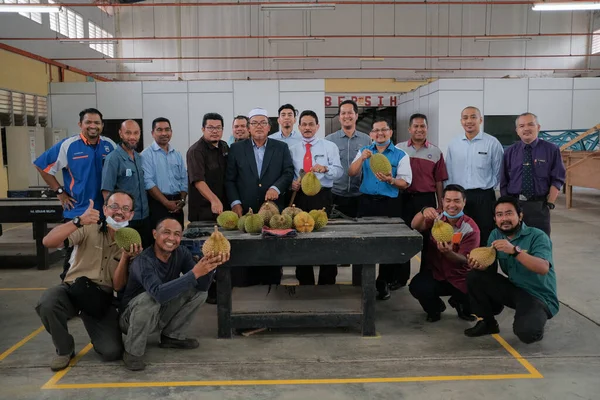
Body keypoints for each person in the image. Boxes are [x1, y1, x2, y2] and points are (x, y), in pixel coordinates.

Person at [35, 191, 140, 371]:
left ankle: (92, 323)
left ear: (131, 214)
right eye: (114, 206)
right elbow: (47, 241)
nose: (119, 212)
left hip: (100, 299)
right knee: (48, 302)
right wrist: (78, 221)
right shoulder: (87, 228)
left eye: (125, 208)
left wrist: (125, 257)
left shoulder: (131, 241)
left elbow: (117, 286)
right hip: (73, 289)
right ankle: (64, 349)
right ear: (105, 209)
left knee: (111, 352)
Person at [119, 217, 228, 371]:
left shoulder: (181, 252)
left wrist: (211, 265)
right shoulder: (143, 261)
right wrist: (194, 273)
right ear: (155, 234)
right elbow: (158, 294)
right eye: (166, 232)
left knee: (199, 293)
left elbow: (202, 286)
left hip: (159, 310)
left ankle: (172, 337)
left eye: (177, 234)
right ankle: (132, 352)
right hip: (131, 319)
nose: (172, 238)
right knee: (149, 298)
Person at [33, 108, 117, 280]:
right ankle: (69, 292)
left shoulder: (110, 145)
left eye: (97, 122)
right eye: (88, 122)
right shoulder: (68, 145)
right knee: (74, 262)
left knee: (104, 261)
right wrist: (59, 192)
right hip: (79, 213)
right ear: (80, 124)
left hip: (107, 214)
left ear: (102, 125)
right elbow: (42, 165)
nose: (93, 126)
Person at [465, 196, 558, 344]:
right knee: (475, 276)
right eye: (499, 215)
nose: (504, 219)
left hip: (538, 296)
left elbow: (543, 268)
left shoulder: (537, 236)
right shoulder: (495, 235)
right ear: (495, 219)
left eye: (509, 213)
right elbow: (490, 268)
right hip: (515, 289)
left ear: (520, 216)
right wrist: (479, 265)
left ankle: (534, 320)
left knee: (527, 333)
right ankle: (488, 323)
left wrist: (515, 251)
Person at [225, 108, 294, 286]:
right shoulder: (236, 149)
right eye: (254, 123)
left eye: (263, 122)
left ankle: (271, 285)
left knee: (271, 249)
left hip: (272, 210)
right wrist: (235, 203)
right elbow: (230, 179)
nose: (259, 126)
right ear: (248, 128)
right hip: (245, 209)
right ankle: (245, 287)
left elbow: (288, 172)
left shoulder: (281, 147)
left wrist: (275, 188)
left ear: (269, 127)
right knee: (245, 250)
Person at [348, 117, 412, 300]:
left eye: (384, 130)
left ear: (390, 132)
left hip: (389, 204)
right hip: (366, 202)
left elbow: (405, 183)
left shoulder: (400, 155)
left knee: (388, 245)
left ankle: (383, 281)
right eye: (376, 130)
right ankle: (362, 281)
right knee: (363, 242)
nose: (380, 133)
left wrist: (391, 180)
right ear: (371, 135)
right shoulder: (364, 151)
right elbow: (351, 172)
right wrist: (362, 158)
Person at [409, 184, 479, 322]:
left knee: (477, 299)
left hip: (460, 277)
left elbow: (465, 259)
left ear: (464, 202)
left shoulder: (471, 228)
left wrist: (448, 253)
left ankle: (460, 303)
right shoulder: (436, 217)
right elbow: (415, 225)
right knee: (417, 287)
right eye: (448, 200)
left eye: (457, 201)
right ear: (442, 201)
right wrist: (423, 211)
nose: (452, 205)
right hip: (437, 273)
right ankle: (435, 308)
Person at [289, 110, 343, 285]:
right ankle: (304, 280)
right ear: (299, 127)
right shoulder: (292, 149)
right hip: (300, 198)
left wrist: (326, 169)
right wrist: (292, 183)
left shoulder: (329, 147)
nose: (307, 128)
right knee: (300, 238)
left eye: (311, 124)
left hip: (323, 197)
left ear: (317, 126)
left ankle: (327, 281)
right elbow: (288, 173)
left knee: (326, 239)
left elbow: (339, 172)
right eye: (304, 124)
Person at [396, 113, 448, 286]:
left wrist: (441, 205)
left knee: (428, 241)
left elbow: (439, 181)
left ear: (427, 128)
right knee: (402, 239)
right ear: (409, 129)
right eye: (416, 126)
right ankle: (400, 278)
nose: (419, 129)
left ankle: (425, 277)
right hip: (403, 199)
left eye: (422, 126)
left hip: (426, 200)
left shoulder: (435, 151)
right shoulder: (399, 149)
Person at [445, 106, 504, 247]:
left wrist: (486, 188)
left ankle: (486, 268)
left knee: (485, 235)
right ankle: (462, 268)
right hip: (459, 198)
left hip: (484, 197)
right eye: (465, 118)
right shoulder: (454, 144)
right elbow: (449, 172)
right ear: (461, 121)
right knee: (459, 235)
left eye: (473, 117)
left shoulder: (492, 143)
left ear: (480, 120)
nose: (469, 121)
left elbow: (499, 172)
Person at [500, 113, 565, 236]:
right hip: (515, 206)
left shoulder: (551, 150)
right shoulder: (509, 152)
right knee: (514, 244)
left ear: (538, 127)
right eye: (522, 126)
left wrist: (549, 202)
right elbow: (504, 181)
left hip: (539, 207)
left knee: (540, 244)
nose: (526, 128)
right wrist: (507, 208)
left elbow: (557, 178)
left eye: (531, 124)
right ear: (517, 130)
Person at [101, 120, 151, 247]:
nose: (132, 137)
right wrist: (113, 222)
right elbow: (107, 191)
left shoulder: (139, 157)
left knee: (143, 254)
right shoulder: (113, 158)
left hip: (143, 217)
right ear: (120, 134)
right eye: (128, 133)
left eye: (136, 133)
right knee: (126, 256)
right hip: (125, 219)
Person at [325, 100, 371, 218]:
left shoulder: (366, 140)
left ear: (356, 115)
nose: (346, 116)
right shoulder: (329, 140)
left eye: (350, 113)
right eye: (343, 113)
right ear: (339, 117)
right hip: (334, 194)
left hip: (359, 195)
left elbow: (370, 167)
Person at [141, 117, 188, 230]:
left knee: (177, 238)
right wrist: (166, 202)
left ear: (171, 132)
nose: (164, 133)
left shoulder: (176, 154)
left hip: (177, 204)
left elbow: (183, 179)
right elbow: (148, 182)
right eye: (159, 130)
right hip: (158, 204)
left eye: (167, 130)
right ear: (152, 133)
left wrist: (182, 200)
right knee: (159, 239)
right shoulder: (146, 155)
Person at [187, 113, 229, 222]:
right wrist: (214, 200)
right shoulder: (196, 151)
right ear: (203, 129)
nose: (215, 131)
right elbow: (198, 181)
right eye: (210, 127)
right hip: (203, 211)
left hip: (224, 209)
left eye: (218, 128)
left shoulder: (224, 146)